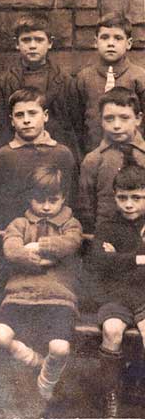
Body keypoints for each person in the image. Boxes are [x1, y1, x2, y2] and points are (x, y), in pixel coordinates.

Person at [0, 166, 83, 404]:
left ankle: (46, 383)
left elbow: (69, 244)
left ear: (63, 198)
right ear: (29, 196)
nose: (46, 206)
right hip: (20, 294)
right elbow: (11, 249)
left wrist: (34, 247)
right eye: (39, 199)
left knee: (60, 348)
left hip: (58, 297)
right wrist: (36, 258)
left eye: (53, 200)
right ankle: (35, 362)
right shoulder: (19, 223)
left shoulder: (71, 224)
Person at [87, 165, 145, 417]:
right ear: (115, 196)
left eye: (137, 197)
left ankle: (136, 381)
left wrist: (118, 258)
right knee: (111, 330)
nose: (129, 204)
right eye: (122, 197)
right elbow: (99, 262)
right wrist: (139, 258)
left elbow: (112, 263)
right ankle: (109, 390)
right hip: (117, 296)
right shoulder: (107, 226)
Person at [0, 13, 80, 160]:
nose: (32, 45)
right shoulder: (4, 82)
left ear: (50, 43)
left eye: (39, 40)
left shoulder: (65, 81)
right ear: (17, 43)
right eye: (26, 40)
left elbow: (74, 126)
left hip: (54, 153)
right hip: (17, 155)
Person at [0, 87, 76, 229]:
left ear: (45, 116)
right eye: (19, 115)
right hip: (15, 231)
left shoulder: (62, 154)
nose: (26, 120)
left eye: (32, 113)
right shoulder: (4, 155)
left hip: (55, 230)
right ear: (12, 121)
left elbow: (69, 197)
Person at [73, 11, 145, 154]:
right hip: (93, 151)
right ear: (95, 42)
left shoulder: (139, 77)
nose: (111, 43)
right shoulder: (84, 78)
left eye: (118, 38)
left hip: (132, 154)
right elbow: (77, 121)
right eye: (105, 37)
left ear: (128, 43)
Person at [79, 87, 145, 232]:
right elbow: (87, 209)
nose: (116, 125)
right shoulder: (93, 160)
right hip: (108, 238)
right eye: (109, 119)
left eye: (124, 118)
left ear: (138, 119)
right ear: (101, 121)